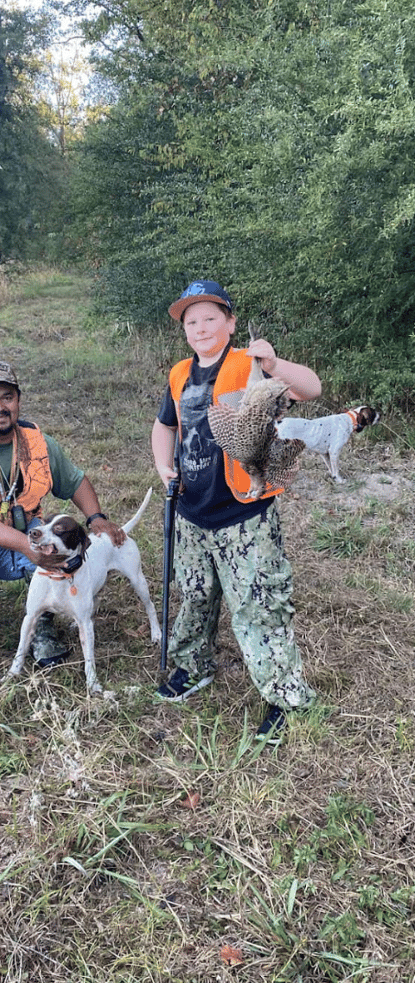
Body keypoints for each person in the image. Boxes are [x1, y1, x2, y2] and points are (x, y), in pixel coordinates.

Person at [151, 280, 321, 740]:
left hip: (245, 512)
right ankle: (194, 666)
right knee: (196, 594)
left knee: (258, 605)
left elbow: (310, 387)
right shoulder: (179, 372)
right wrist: (164, 466)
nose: (200, 327)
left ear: (230, 323)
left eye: (210, 318)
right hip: (191, 511)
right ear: (183, 330)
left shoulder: (251, 365)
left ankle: (286, 698)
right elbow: (165, 424)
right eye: (191, 321)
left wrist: (273, 362)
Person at [0, 359, 125, 665]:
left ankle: (43, 621)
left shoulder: (37, 441)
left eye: (7, 397)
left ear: (18, 400)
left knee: (64, 557)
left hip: (24, 537)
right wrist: (27, 548)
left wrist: (96, 518)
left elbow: (75, 481)